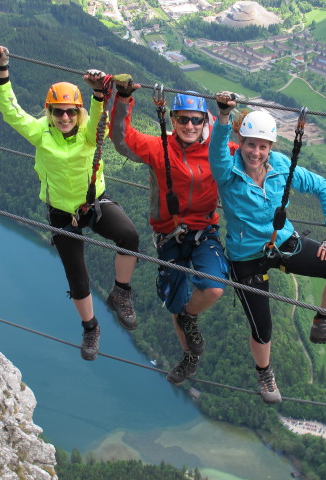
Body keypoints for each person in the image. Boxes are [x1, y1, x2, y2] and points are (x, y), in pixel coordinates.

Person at [0, 45, 140, 361]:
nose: (65, 117)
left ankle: (121, 294)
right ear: (49, 112)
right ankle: (90, 328)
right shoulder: (40, 133)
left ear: (79, 113)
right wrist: (2, 71)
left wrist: (99, 96)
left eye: (71, 111)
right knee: (77, 276)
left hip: (94, 204)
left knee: (129, 236)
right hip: (61, 213)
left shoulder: (88, 133)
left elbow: (101, 123)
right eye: (58, 111)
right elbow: (11, 111)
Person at [209, 92, 326, 404]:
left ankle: (322, 323)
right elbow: (218, 152)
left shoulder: (280, 166)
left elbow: (322, 186)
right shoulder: (228, 172)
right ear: (241, 140)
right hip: (246, 256)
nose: (256, 152)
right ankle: (264, 372)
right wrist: (223, 116)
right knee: (263, 328)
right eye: (250, 144)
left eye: (263, 146)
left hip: (283, 243)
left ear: (271, 148)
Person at [109, 76, 234, 385]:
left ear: (205, 120)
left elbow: (256, 153)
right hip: (169, 233)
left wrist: (228, 114)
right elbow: (122, 139)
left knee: (215, 286)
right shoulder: (158, 147)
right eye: (182, 119)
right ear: (173, 120)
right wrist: (123, 98)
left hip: (204, 229)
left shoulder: (220, 149)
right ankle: (189, 356)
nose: (189, 125)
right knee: (176, 305)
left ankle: (191, 320)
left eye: (195, 119)